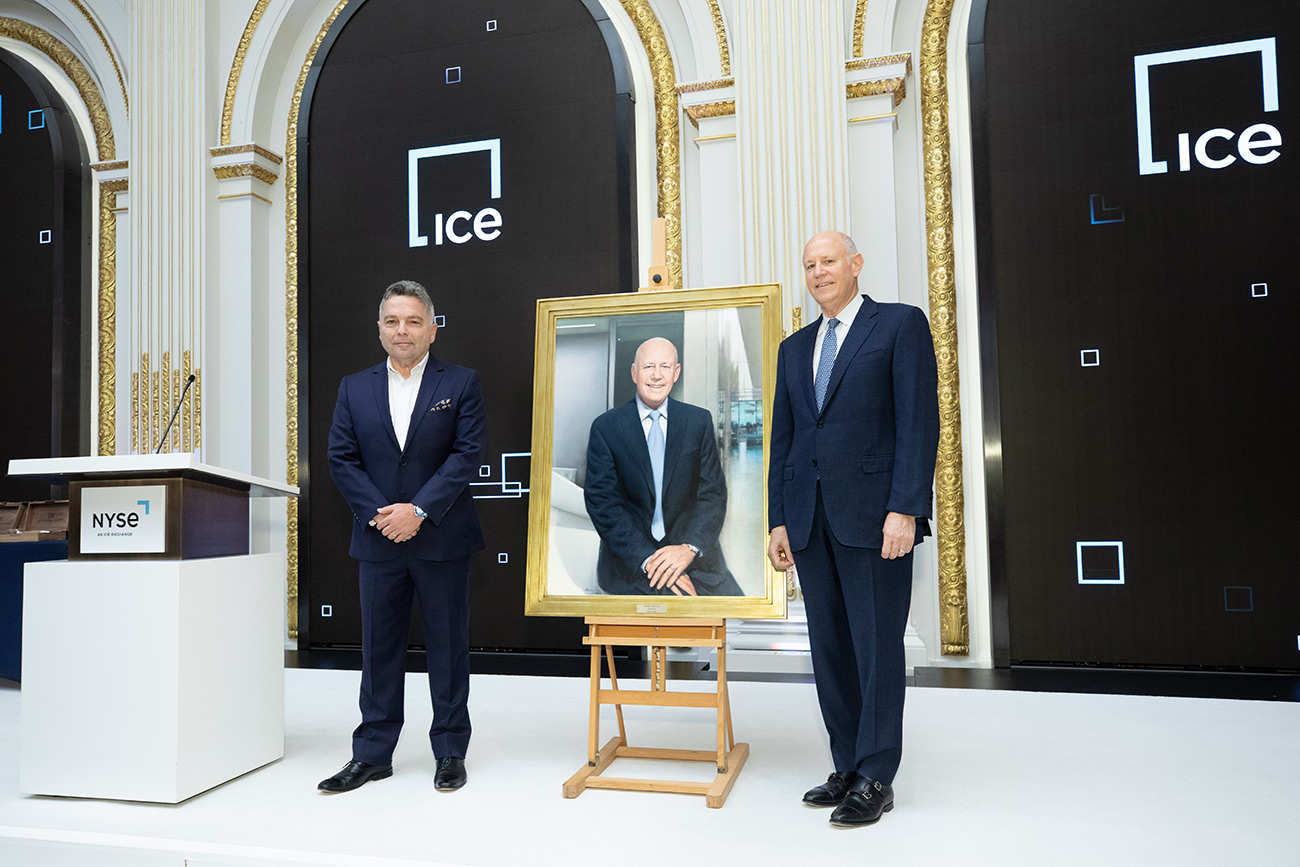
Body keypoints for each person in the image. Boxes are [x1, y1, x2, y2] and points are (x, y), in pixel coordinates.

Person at [767, 231, 939, 827]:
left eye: (829, 261)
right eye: (809, 264)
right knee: (831, 649)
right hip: (810, 521)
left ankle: (876, 774)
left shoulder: (899, 325)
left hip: (876, 520)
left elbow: (918, 424)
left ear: (856, 264)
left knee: (876, 648)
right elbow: (783, 443)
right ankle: (846, 763)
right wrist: (778, 519)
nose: (818, 272)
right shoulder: (794, 348)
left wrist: (907, 508)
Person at [319, 280, 487, 794]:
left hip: (441, 538)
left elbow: (466, 454)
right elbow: (341, 458)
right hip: (378, 541)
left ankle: (451, 750)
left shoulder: (461, 382)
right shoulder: (354, 386)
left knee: (448, 648)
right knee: (379, 651)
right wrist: (382, 515)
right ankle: (372, 755)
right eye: (392, 321)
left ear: (432, 328)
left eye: (413, 321)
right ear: (379, 328)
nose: (402, 331)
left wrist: (418, 510)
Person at [584, 337, 743, 596]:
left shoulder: (698, 421)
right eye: (648, 367)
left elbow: (712, 495)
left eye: (665, 367)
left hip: (690, 554)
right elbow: (604, 505)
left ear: (676, 372)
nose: (657, 376)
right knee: (669, 612)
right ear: (635, 372)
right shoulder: (606, 428)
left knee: (735, 607)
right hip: (633, 559)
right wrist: (652, 562)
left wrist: (689, 549)